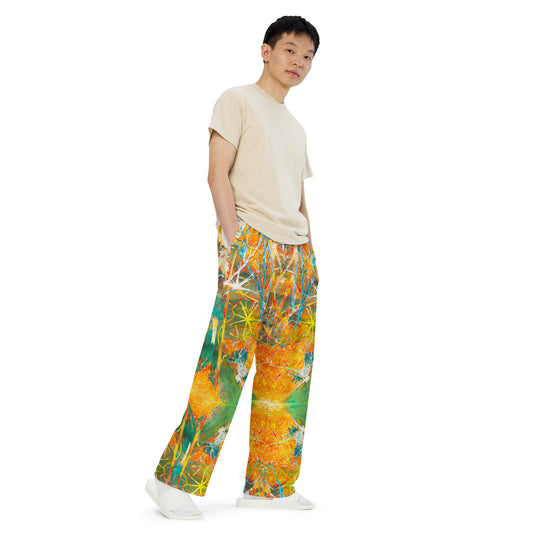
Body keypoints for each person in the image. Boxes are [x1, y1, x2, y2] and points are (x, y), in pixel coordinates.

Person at [145, 15, 320, 520]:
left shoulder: (296, 128)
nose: (299, 62)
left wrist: (311, 258)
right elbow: (216, 174)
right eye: (290, 50)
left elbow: (298, 198)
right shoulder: (237, 100)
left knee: (289, 372)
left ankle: (271, 484)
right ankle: (172, 481)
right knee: (225, 363)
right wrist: (233, 242)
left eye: (308, 57)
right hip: (251, 246)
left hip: (296, 258)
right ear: (267, 51)